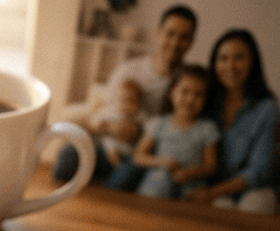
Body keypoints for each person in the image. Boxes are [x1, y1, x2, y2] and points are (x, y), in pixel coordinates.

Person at [54, 4, 197, 186]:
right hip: (107, 145)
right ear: (158, 33)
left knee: (124, 179)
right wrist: (112, 130)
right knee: (68, 156)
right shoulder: (128, 70)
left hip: (140, 157)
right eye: (170, 33)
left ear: (192, 42)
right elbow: (100, 113)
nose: (175, 43)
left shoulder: (187, 84)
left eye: (184, 37)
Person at [186, 29, 280, 214]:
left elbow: (258, 171)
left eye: (239, 58)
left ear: (253, 63)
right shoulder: (203, 100)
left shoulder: (267, 108)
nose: (230, 66)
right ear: (214, 63)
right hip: (210, 186)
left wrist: (212, 193)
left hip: (253, 189)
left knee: (253, 209)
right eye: (223, 58)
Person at [124, 65, 219, 199]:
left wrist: (188, 173)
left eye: (198, 94)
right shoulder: (158, 124)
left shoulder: (207, 128)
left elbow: (211, 166)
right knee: (159, 180)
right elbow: (138, 156)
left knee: (200, 199)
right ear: (171, 93)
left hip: (192, 183)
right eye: (185, 91)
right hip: (160, 178)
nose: (191, 99)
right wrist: (162, 162)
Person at [93, 79, 146, 168]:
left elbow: (144, 131)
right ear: (115, 100)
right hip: (109, 148)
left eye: (131, 101)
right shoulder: (110, 113)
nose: (126, 105)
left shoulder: (140, 116)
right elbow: (96, 123)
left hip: (129, 151)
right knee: (107, 140)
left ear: (139, 104)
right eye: (122, 100)